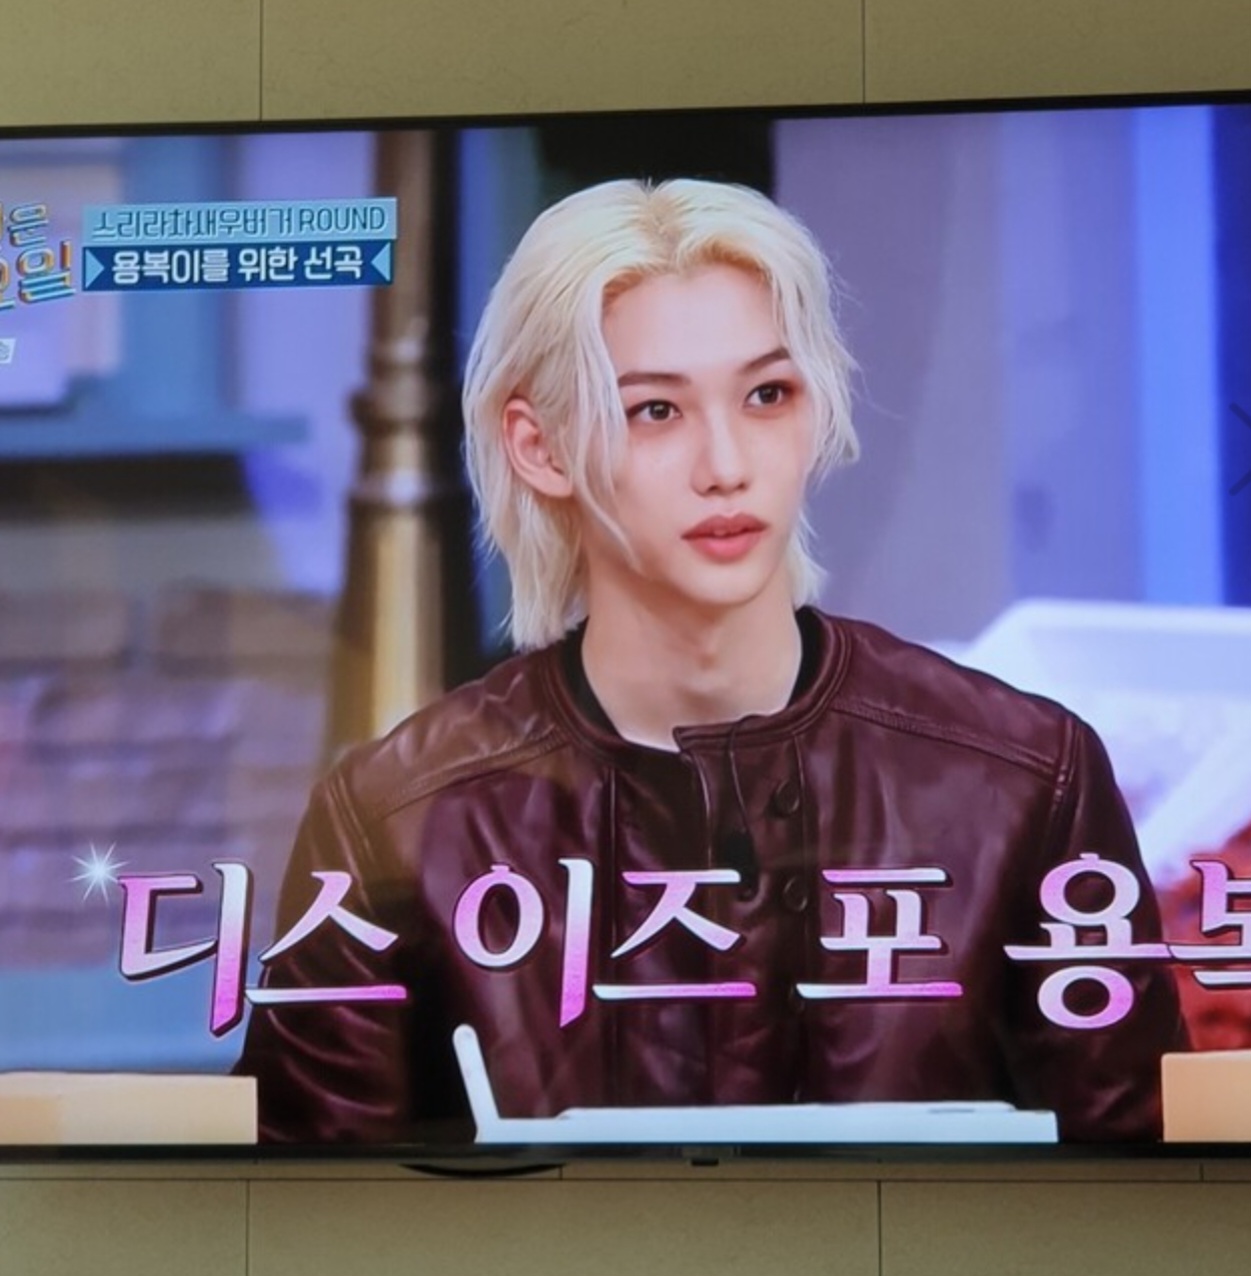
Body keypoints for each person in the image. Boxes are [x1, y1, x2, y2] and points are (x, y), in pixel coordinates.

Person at [236, 177, 1187, 1145]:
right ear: (540, 447)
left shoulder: (1026, 781)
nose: (727, 466)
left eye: (768, 395)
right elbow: (303, 1213)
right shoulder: (395, 822)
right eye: (655, 411)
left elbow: (1142, 1198)